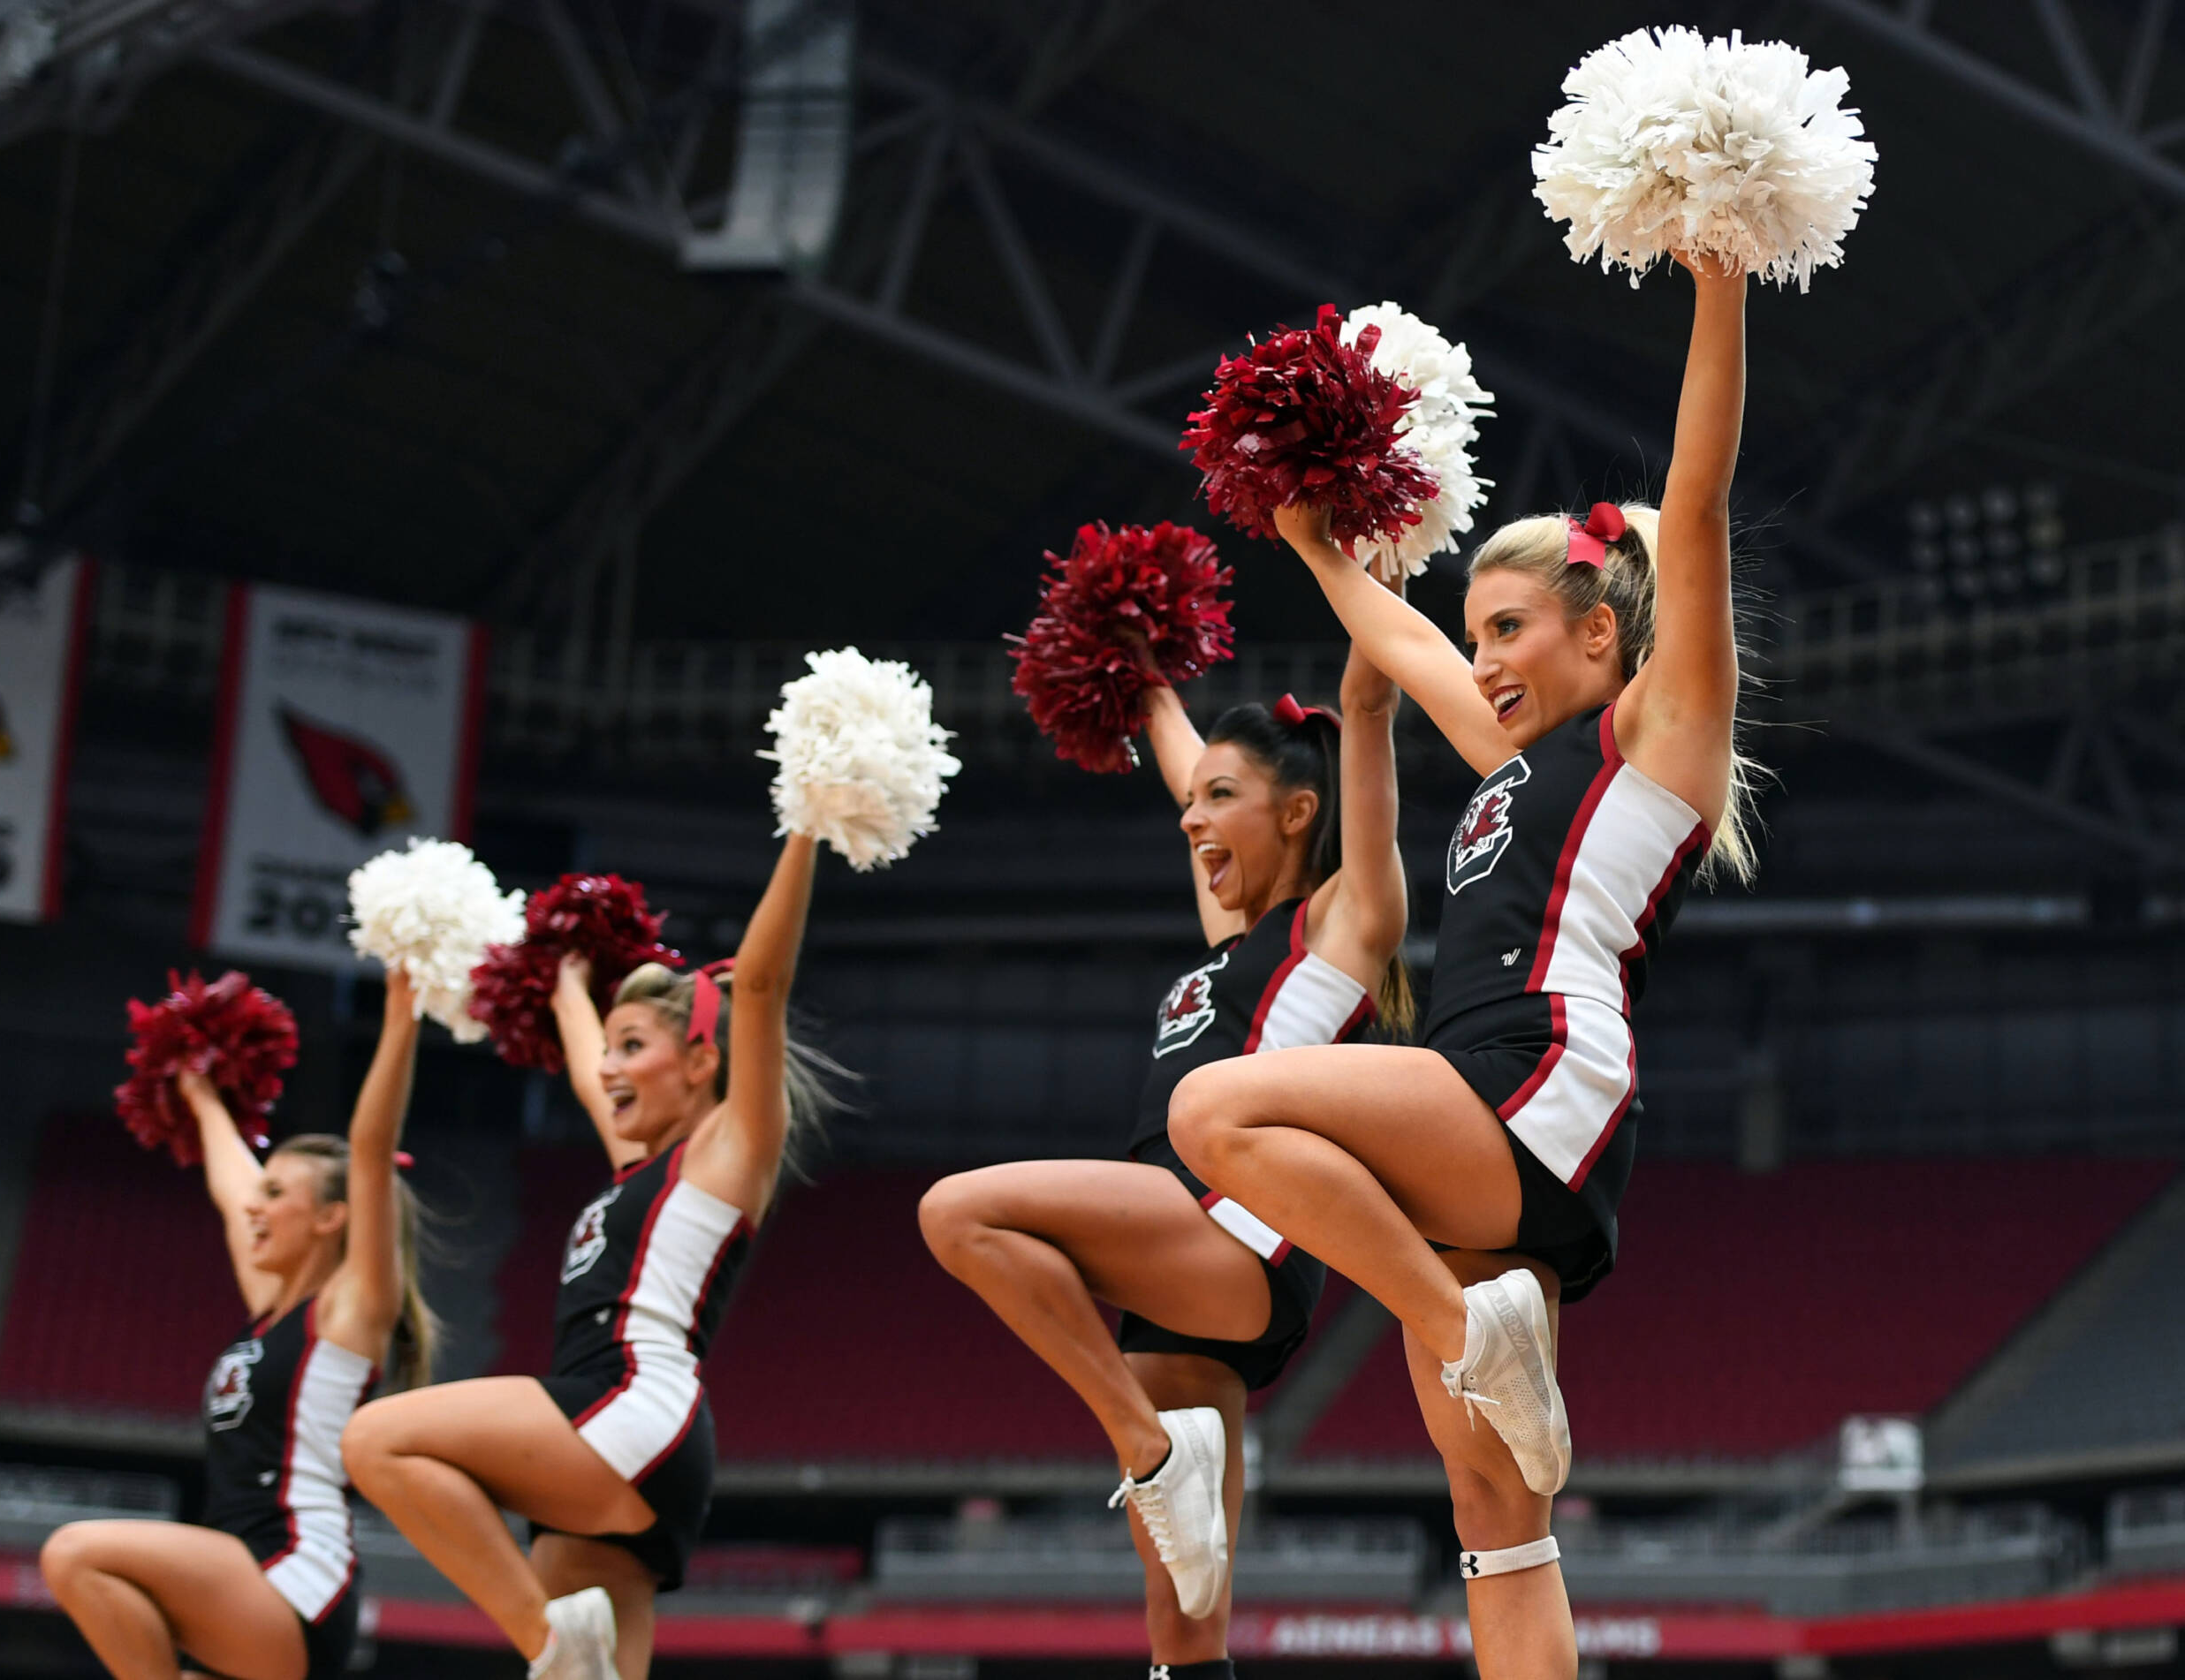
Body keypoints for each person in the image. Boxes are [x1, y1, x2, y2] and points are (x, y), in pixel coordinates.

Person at [1166, 254, 1754, 1680]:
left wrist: (1719, 281)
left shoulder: (1658, 735)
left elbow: (1693, 503)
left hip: (1536, 1072)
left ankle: (1459, 1324)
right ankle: (1482, 1345)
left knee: (1217, 1109)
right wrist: (1315, 544)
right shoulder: (1511, 763)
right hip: (1486, 1101)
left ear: (1600, 630)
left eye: (1511, 629)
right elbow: (1401, 640)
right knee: (1496, 1515)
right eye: (1478, 629)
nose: (1481, 658)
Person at [918, 626, 1411, 1680]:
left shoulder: (1343, 925)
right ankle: (1160, 1463)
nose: (1192, 817)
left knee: (958, 1213)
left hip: (1236, 1234)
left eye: (1220, 799)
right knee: (1184, 1630)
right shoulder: (1229, 944)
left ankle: (1145, 1450)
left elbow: (1366, 711)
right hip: (1175, 1263)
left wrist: (1374, 603)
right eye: (1192, 801)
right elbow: (1184, 768)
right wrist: (1138, 671)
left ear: (1298, 812)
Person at [342, 833, 848, 1680]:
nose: (609, 1068)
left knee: (376, 1442)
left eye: (634, 1047)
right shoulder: (636, 1166)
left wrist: (804, 826)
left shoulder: (729, 1152)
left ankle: (548, 1640)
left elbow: (760, 985)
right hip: (616, 1443)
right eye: (609, 1048)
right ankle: (564, 1650)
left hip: (629, 1407)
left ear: (701, 1060)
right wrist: (567, 977)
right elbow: (586, 1069)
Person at [41, 972, 436, 1680]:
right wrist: (197, 1092)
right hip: (241, 1581)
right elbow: (232, 1191)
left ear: (333, 1216)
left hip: (294, 1578)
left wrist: (402, 1021)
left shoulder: (349, 1312)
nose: (256, 1205)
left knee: (76, 1554)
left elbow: (371, 1152)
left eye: (276, 1193)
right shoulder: (271, 1307)